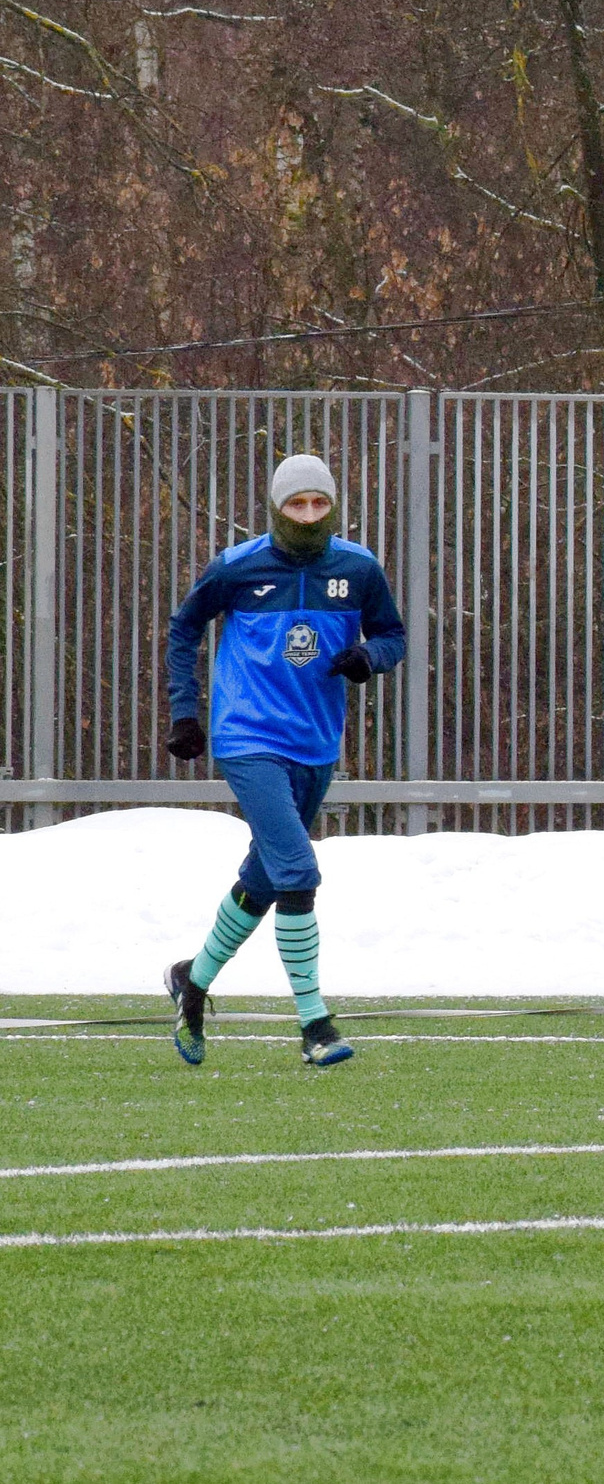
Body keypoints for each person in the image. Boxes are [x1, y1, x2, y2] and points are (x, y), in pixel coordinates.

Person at [161, 454, 407, 1069]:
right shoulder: (238, 567)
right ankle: (314, 1024)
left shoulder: (359, 567)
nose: (308, 515)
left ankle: (192, 980)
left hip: (317, 743)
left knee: (266, 877)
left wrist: (368, 658)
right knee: (297, 869)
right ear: (276, 508)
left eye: (318, 504)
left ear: (332, 507)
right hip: (247, 736)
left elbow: (393, 636)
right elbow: (184, 628)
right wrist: (185, 712)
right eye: (296, 505)